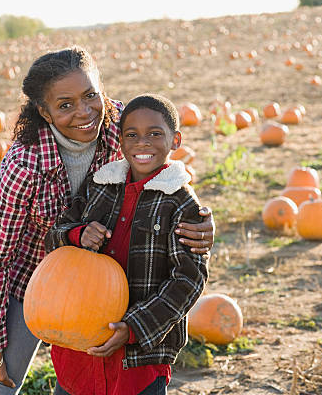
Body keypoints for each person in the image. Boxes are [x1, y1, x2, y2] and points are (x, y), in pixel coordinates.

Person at [0, 47, 215, 395]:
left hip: (104, 278)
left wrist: (201, 217)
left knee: (98, 372)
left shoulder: (122, 125)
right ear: (45, 111)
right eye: (65, 104)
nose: (84, 112)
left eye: (90, 96)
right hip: (34, 277)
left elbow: (164, 167)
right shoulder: (24, 166)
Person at [44, 93, 208, 395]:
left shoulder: (181, 205)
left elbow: (188, 279)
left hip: (139, 359)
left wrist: (134, 328)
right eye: (132, 135)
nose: (142, 143)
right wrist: (77, 235)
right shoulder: (99, 186)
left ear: (176, 140)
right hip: (79, 346)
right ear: (121, 141)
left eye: (155, 134)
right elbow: (55, 234)